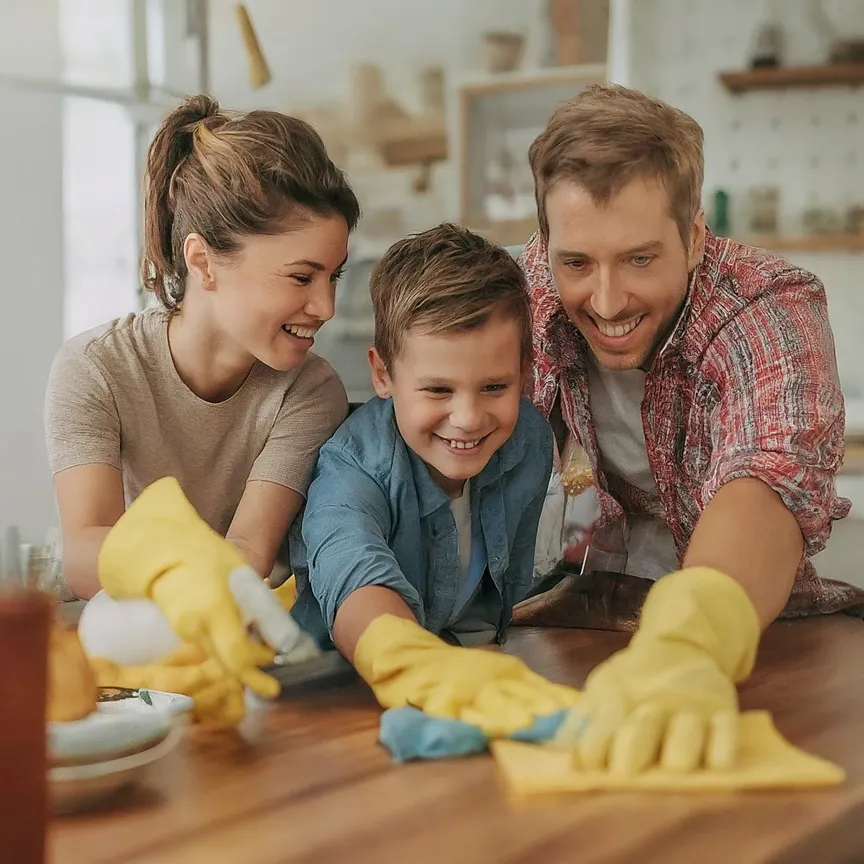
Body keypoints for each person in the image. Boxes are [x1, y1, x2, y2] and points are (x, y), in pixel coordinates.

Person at [515, 83, 864, 773]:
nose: (607, 301)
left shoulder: (768, 306)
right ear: (547, 243)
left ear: (696, 235)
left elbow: (767, 478)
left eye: (641, 259)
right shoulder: (524, 289)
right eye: (577, 263)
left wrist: (690, 645)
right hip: (592, 610)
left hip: (746, 630)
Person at [44, 94, 360, 600]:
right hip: (118, 637)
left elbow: (250, 552)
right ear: (204, 261)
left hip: (236, 633)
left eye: (333, 275)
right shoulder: (96, 369)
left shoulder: (310, 390)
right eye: (302, 276)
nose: (326, 306)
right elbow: (84, 559)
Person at [289, 223, 554, 663]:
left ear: (524, 372)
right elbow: (354, 574)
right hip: (332, 696)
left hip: (456, 681)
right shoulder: (353, 470)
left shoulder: (528, 443)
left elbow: (496, 605)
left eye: (494, 387)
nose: (468, 419)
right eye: (438, 390)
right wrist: (419, 669)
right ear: (383, 375)